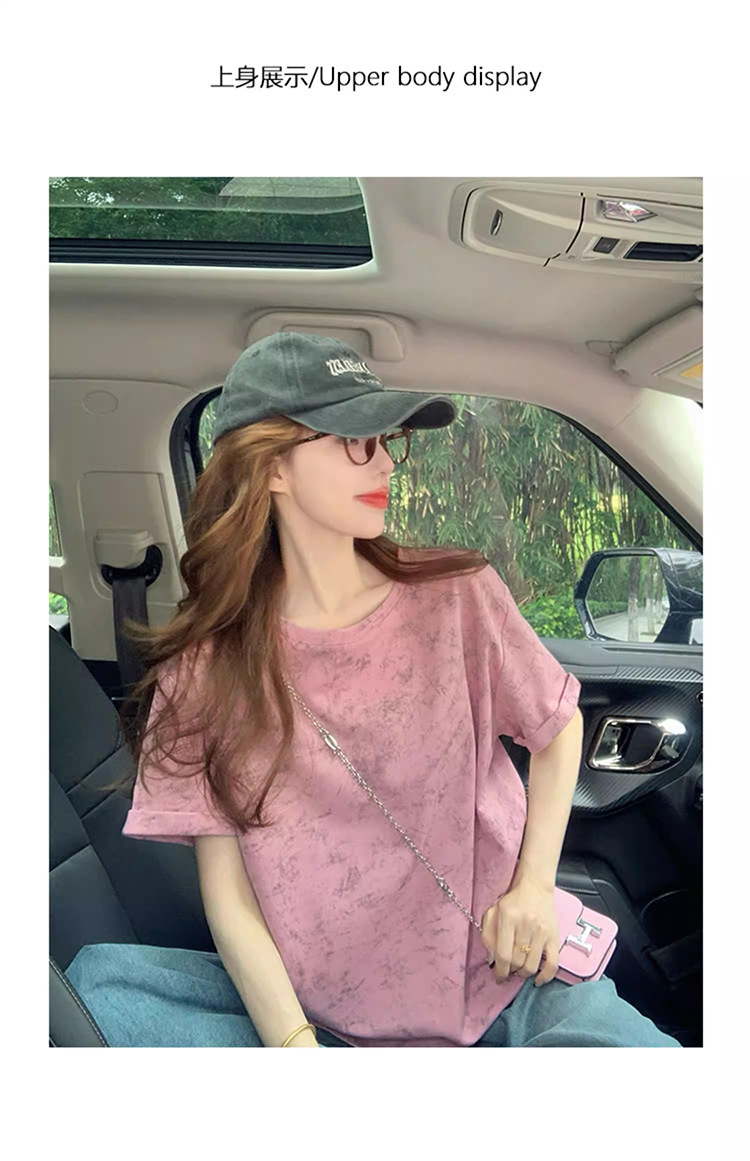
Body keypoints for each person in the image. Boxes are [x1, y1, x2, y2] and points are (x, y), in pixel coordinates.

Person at [66, 332, 681, 1048]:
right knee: (96, 995)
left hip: (509, 983)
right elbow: (230, 898)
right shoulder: (202, 673)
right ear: (272, 466)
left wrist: (534, 887)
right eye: (355, 441)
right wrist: (296, 1047)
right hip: (329, 1019)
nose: (385, 461)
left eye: (387, 440)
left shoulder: (458, 596)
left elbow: (559, 723)